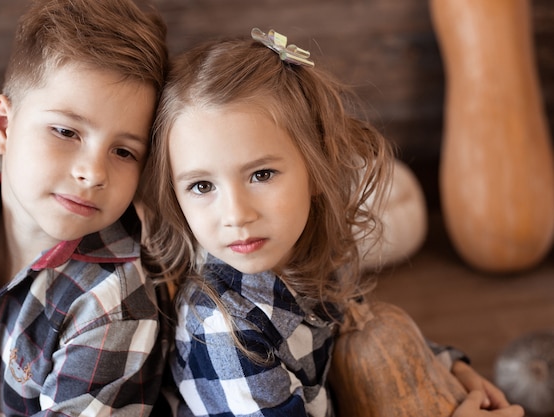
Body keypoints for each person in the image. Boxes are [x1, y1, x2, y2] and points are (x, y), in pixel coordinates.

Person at [139, 28, 524, 416]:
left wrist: (449, 368)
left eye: (261, 175)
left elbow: (361, 331)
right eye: (202, 185)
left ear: (316, 168)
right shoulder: (225, 331)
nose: (237, 214)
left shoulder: (306, 255)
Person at [0, 0, 169, 415]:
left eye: (124, 152)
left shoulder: (112, 301)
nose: (93, 173)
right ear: (3, 127)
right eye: (65, 131)